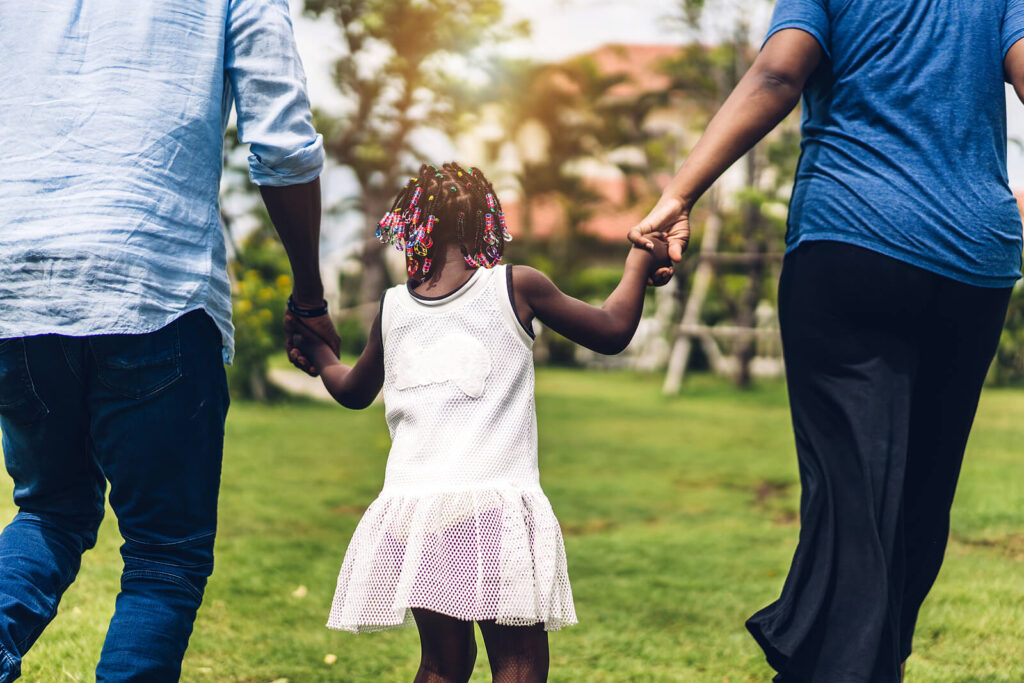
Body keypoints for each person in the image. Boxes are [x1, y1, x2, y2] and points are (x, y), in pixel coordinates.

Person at [629, 1, 1024, 681]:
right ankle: (869, 662)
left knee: (851, 500)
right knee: (919, 503)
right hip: (972, 259)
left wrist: (679, 193)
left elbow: (780, 75)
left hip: (851, 237)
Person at [0, 1, 340, 680]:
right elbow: (280, 141)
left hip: (16, 283)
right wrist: (308, 294)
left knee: (49, 510)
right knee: (163, 554)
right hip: (154, 277)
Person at [292, 162, 669, 683]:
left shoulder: (394, 307)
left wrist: (318, 352)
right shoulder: (515, 286)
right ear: (485, 223)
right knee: (517, 661)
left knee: (443, 664)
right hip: (494, 512)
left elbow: (354, 391)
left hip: (419, 517)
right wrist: (639, 264)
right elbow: (611, 330)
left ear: (411, 225)